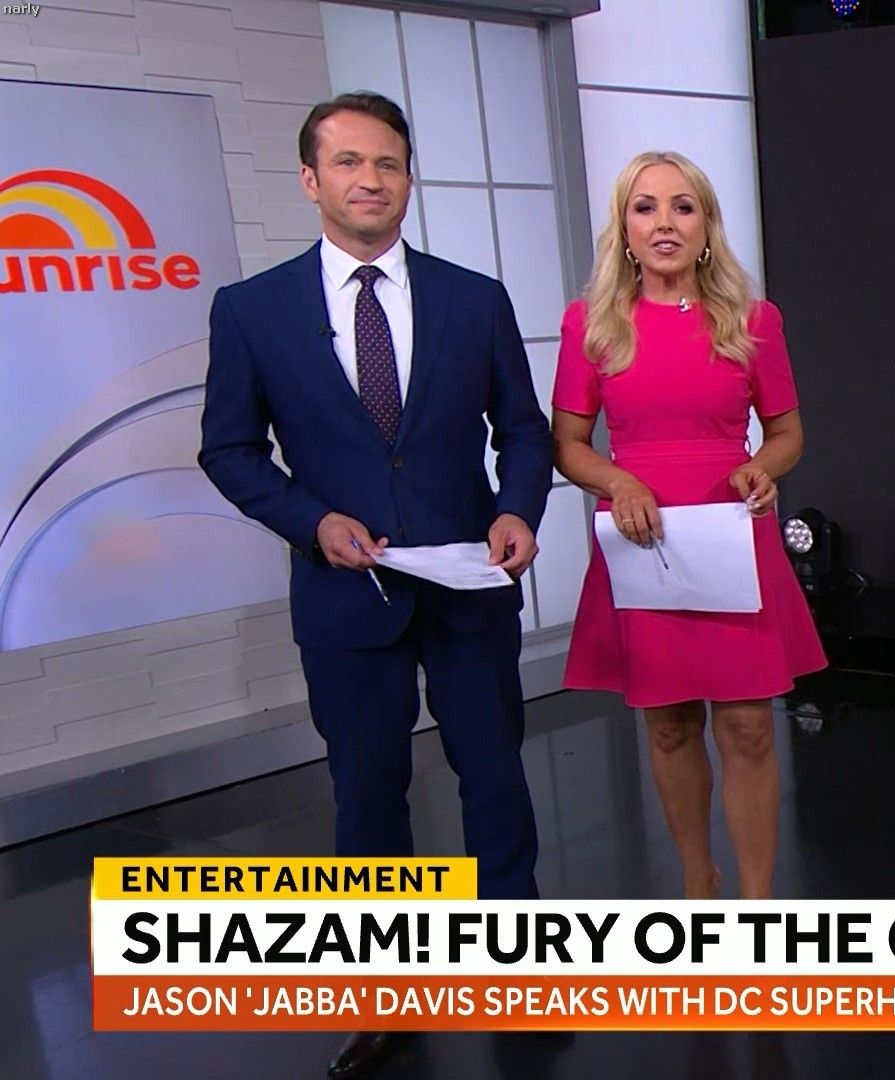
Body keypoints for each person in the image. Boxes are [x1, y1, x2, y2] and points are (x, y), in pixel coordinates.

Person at [197, 92, 550, 1079]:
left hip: (469, 579)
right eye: (348, 162)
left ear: (408, 177)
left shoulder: (473, 298)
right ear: (310, 180)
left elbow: (523, 430)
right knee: (366, 794)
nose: (370, 180)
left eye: (387, 162)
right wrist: (311, 521)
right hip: (345, 594)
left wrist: (519, 509)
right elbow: (229, 449)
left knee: (496, 780)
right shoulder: (253, 310)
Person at [552, 150, 826, 901]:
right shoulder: (591, 323)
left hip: (732, 529)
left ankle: (757, 905)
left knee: (747, 726)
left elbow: (788, 433)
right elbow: (568, 444)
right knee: (669, 724)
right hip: (642, 537)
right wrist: (617, 480)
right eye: (645, 207)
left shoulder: (753, 320)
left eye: (683, 206)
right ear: (624, 228)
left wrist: (762, 467)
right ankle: (697, 884)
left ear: (707, 225)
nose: (664, 222)